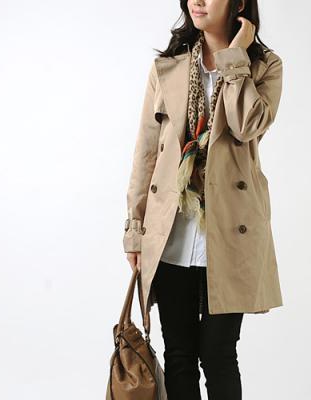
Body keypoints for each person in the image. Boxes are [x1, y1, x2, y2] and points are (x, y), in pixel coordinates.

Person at [122, 0, 284, 399]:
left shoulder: (264, 67)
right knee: (179, 356)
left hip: (230, 234)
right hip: (170, 233)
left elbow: (248, 125)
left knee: (218, 354)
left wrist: (235, 56)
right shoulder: (168, 68)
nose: (197, 1)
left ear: (238, 3)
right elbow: (146, 154)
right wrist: (135, 231)